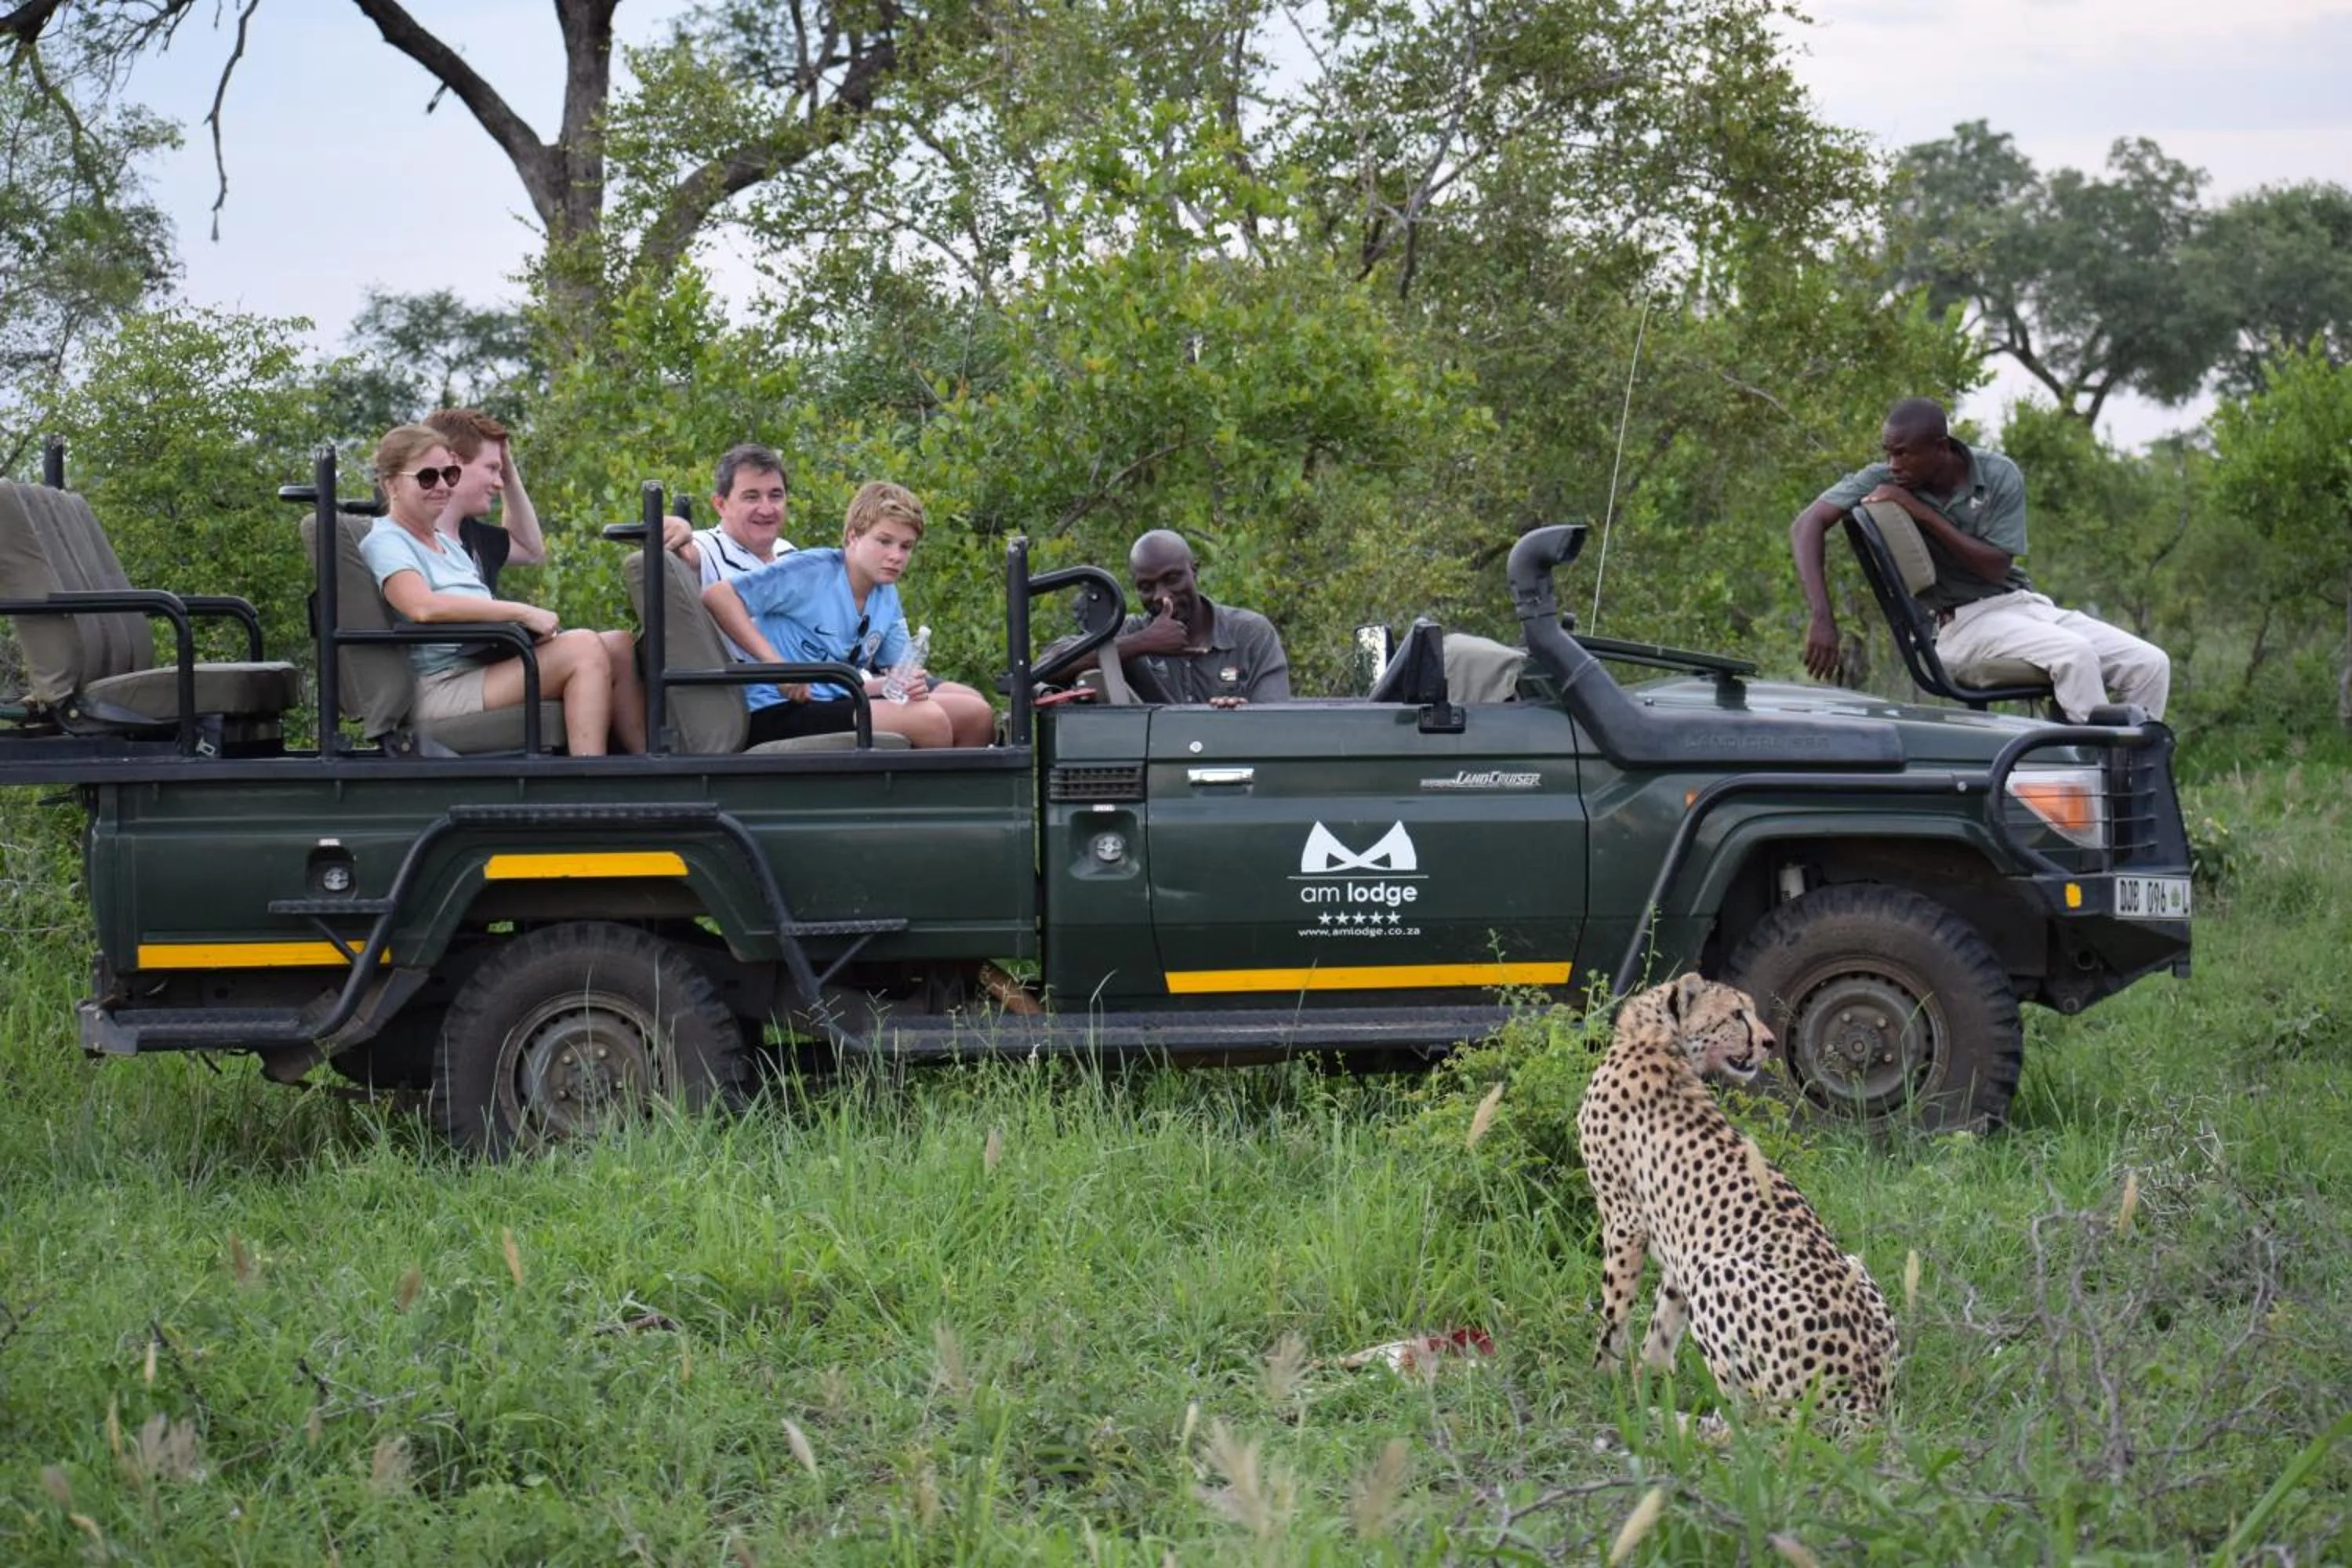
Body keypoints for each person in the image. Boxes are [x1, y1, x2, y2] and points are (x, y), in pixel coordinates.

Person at [1790, 397, 2170, 723]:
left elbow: (1995, 567)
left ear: (1940, 447)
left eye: (1902, 453)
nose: (1892, 464)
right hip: (1961, 623)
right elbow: (1807, 524)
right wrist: (1823, 616)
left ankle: (2131, 779)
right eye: (1888, 452)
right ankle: (2093, 781)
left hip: (2024, 606)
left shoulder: (1997, 474)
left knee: (2150, 664)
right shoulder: (1881, 479)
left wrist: (1923, 515)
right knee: (2075, 654)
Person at [358, 423, 646, 756]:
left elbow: (527, 553)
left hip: (479, 662)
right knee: (582, 648)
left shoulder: (444, 544)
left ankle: (646, 766)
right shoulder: (387, 540)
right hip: (440, 683)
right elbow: (423, 607)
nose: (441, 486)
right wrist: (520, 612)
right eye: (427, 477)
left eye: (449, 475)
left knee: (617, 645)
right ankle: (588, 778)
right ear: (392, 484)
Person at [701, 481, 995, 749]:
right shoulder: (812, 570)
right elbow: (718, 596)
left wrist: (912, 682)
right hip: (778, 708)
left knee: (975, 711)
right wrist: (778, 666)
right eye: (884, 541)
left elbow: (896, 668)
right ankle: (924, 805)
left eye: (906, 547)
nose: (896, 556)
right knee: (927, 718)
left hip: (842, 695)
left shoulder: (885, 590)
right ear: (853, 537)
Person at [1054, 529, 1288, 706]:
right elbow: (1047, 667)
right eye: (1146, 587)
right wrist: (1142, 643)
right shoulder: (1132, 631)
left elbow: (1274, 722)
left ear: (1194, 571)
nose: (1162, 596)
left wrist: (1241, 717)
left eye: (1173, 579)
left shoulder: (1250, 634)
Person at [658, 441, 794, 661]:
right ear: (721, 504)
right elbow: (677, 549)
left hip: (815, 677)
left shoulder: (788, 552)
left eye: (775, 495)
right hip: (757, 686)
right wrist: (676, 527)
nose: (767, 509)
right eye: (751, 497)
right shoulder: (707, 547)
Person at [422, 407, 543, 597]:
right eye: (492, 468)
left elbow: (532, 551)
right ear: (453, 464)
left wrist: (509, 473)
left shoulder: (473, 536)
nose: (499, 483)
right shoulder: (412, 539)